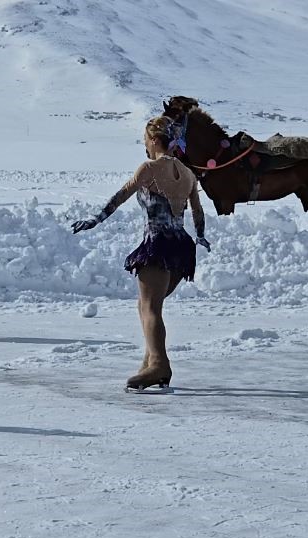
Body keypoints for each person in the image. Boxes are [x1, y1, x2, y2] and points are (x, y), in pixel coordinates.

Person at [71, 116, 210, 392]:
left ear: (155, 140)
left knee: (150, 307)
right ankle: (149, 363)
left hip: (158, 243)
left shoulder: (149, 167)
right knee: (146, 306)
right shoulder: (188, 172)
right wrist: (201, 235)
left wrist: (95, 219)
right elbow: (197, 210)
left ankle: (159, 364)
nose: (144, 146)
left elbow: (122, 194)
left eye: (145, 140)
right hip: (181, 246)